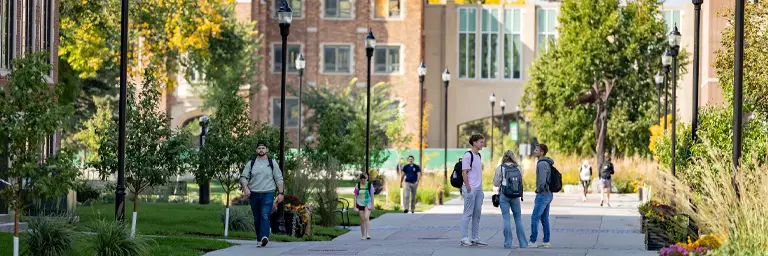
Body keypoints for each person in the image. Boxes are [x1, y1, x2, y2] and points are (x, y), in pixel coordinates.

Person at [240, 142, 284, 248]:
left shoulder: (272, 162)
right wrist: (245, 188)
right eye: (259, 148)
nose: (261, 150)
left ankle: (265, 237)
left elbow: (279, 178)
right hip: (254, 194)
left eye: (263, 148)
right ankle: (260, 239)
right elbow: (243, 177)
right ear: (256, 150)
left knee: (264, 215)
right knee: (257, 217)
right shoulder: (251, 163)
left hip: (268, 193)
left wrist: (281, 193)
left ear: (266, 150)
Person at [493, 150, 528, 248]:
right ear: (513, 157)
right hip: (516, 196)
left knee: (506, 218)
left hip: (504, 195)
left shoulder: (500, 168)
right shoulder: (518, 168)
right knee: (518, 219)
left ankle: (508, 243)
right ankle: (523, 243)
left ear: (504, 157)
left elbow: (495, 183)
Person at [460, 134, 487, 247]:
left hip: (479, 189)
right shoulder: (468, 155)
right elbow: (464, 172)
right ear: (474, 143)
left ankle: (475, 238)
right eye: (481, 142)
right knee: (468, 213)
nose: (482, 144)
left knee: (477, 214)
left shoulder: (478, 156)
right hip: (470, 188)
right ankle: (464, 237)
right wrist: (468, 188)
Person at [530, 143, 553, 248]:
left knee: (535, 217)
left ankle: (533, 241)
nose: (535, 150)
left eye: (536, 149)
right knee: (544, 218)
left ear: (542, 152)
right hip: (548, 193)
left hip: (543, 194)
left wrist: (538, 190)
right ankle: (546, 241)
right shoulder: (546, 162)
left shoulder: (541, 164)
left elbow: (542, 180)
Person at [354, 173, 375, 240]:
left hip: (367, 204)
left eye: (365, 179)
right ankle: (363, 235)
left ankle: (368, 234)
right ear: (361, 179)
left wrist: (372, 205)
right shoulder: (358, 185)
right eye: (362, 179)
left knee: (366, 217)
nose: (364, 181)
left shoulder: (369, 185)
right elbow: (355, 196)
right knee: (362, 220)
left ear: (367, 178)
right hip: (360, 204)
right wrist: (354, 206)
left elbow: (372, 196)